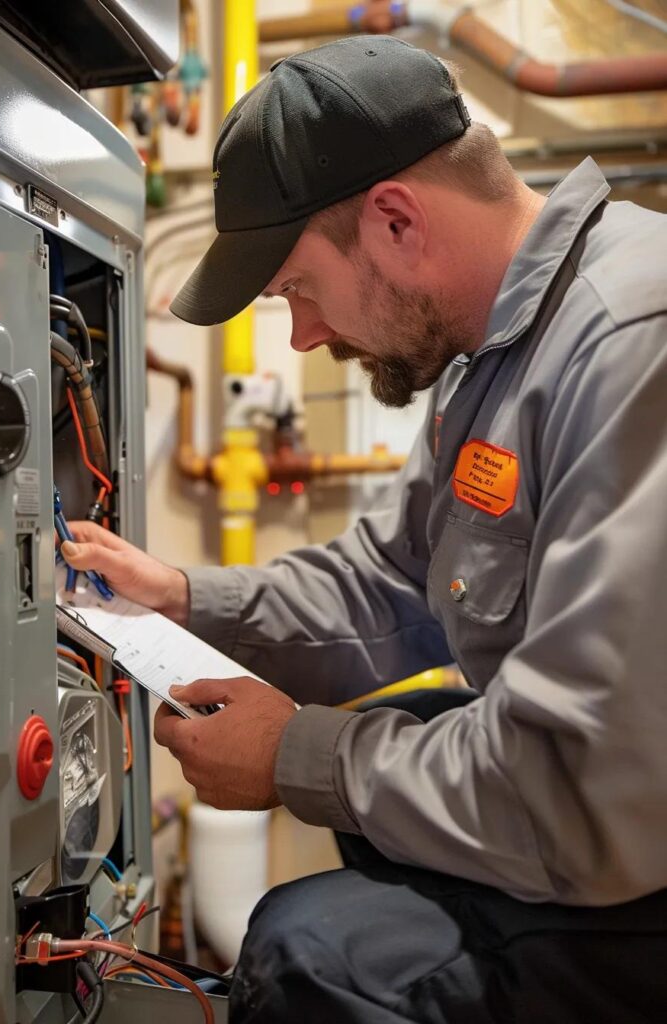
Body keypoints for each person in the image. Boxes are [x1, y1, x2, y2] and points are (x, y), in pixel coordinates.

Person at [63, 35, 667, 1024]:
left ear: (392, 219)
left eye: (296, 289)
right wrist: (178, 596)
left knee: (305, 953)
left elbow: (582, 784)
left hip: (622, 830)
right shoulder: (495, 362)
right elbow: (382, 585)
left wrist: (300, 754)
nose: (300, 334)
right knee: (390, 800)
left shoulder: (628, 343)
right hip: (611, 819)